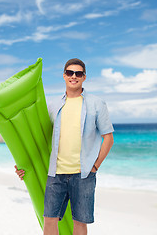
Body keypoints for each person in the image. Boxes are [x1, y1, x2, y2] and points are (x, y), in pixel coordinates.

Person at [15, 58, 114, 235]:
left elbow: (108, 138)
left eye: (78, 73)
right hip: (56, 173)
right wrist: (24, 164)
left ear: (84, 77)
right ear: (64, 76)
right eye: (70, 73)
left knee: (80, 222)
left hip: (84, 174)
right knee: (49, 219)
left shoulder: (97, 104)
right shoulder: (53, 106)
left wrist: (95, 166)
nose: (73, 76)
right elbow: (41, 138)